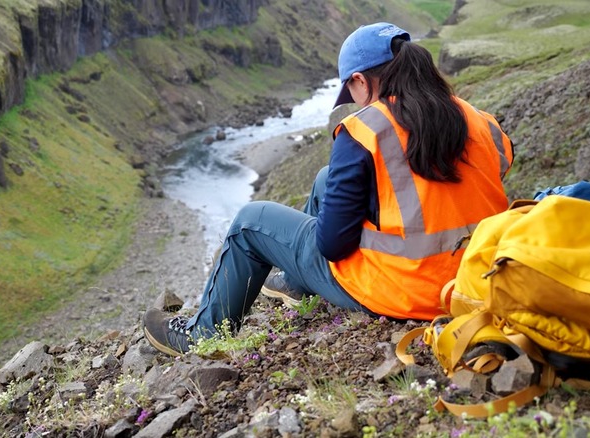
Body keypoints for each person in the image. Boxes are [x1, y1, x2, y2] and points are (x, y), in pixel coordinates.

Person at [143, 22, 514, 356]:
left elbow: (332, 245)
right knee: (325, 178)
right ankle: (294, 283)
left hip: (407, 291)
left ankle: (202, 336)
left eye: (350, 90)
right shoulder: (476, 119)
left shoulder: (366, 130)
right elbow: (475, 178)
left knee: (249, 222)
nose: (353, 100)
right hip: (474, 281)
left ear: (360, 80)